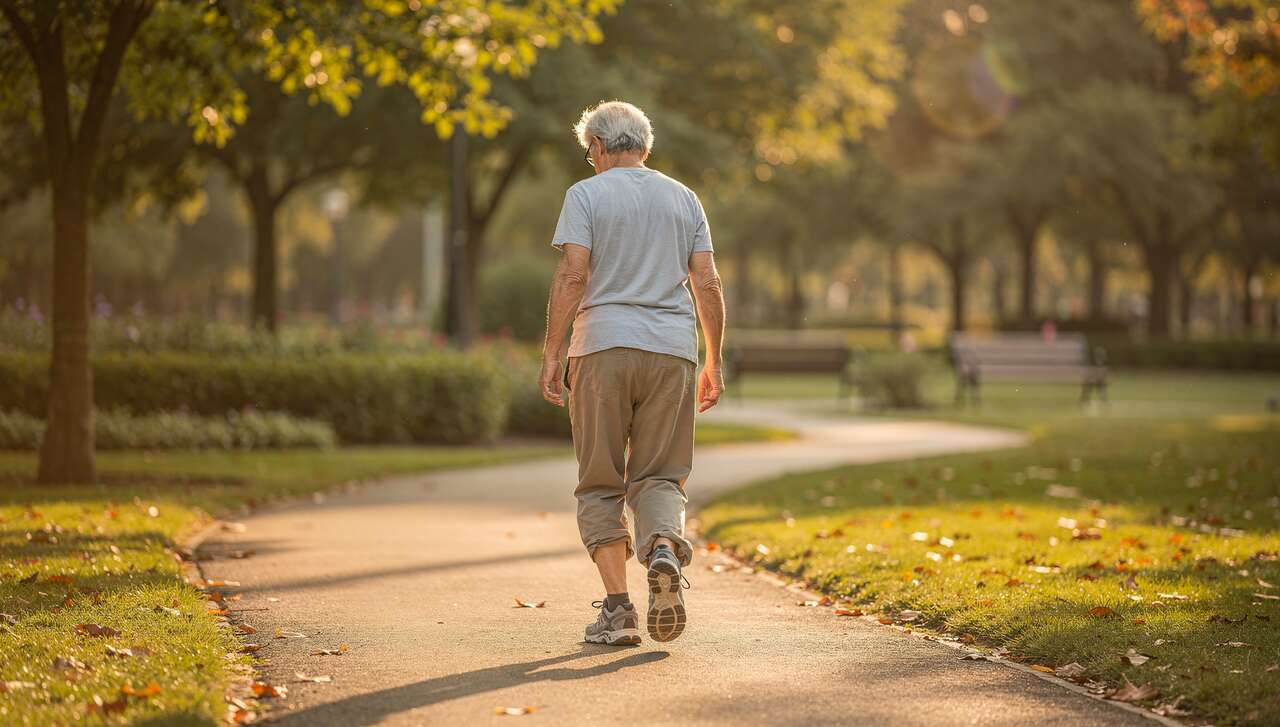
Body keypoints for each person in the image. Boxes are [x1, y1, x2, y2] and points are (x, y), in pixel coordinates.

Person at [538, 100, 726, 645]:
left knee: (600, 480)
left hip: (601, 348)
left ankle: (618, 611)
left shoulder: (586, 194)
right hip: (671, 351)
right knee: (661, 475)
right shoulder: (683, 196)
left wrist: (552, 353)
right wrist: (713, 357)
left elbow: (574, 274)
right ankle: (663, 549)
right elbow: (707, 284)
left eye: (588, 152)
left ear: (597, 146)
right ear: (643, 145)